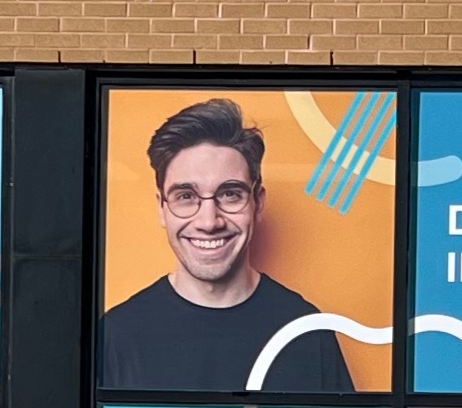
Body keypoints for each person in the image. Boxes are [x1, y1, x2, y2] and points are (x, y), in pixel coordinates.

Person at [99, 97, 356, 392]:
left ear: (258, 202)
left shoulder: (306, 329)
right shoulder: (116, 335)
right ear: (162, 207)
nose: (209, 222)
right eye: (186, 196)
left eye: (230, 194)